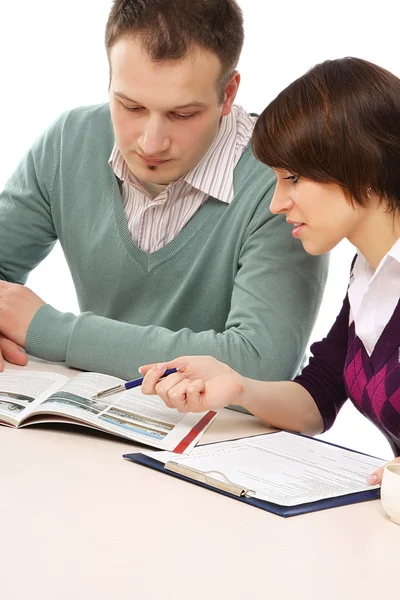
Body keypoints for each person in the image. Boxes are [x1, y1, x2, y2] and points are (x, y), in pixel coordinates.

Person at [0, 0, 327, 383]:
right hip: (88, 420)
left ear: (228, 93)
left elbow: (261, 362)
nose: (152, 143)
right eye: (131, 106)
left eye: (182, 114)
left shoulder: (282, 185)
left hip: (225, 435)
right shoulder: (68, 141)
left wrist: (51, 331)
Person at [140, 57, 400, 484]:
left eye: (293, 178)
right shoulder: (369, 273)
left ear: (364, 165)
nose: (276, 203)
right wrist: (237, 387)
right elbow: (319, 397)